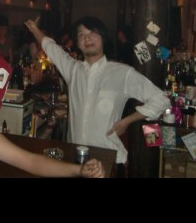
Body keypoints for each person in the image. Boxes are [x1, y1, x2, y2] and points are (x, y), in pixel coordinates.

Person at [25, 16, 170, 175]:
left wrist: (127, 121)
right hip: (77, 159)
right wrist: (34, 29)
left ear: (103, 38)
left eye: (92, 33)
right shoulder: (72, 69)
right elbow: (51, 47)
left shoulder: (122, 73)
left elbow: (161, 100)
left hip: (108, 158)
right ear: (77, 43)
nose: (87, 38)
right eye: (81, 35)